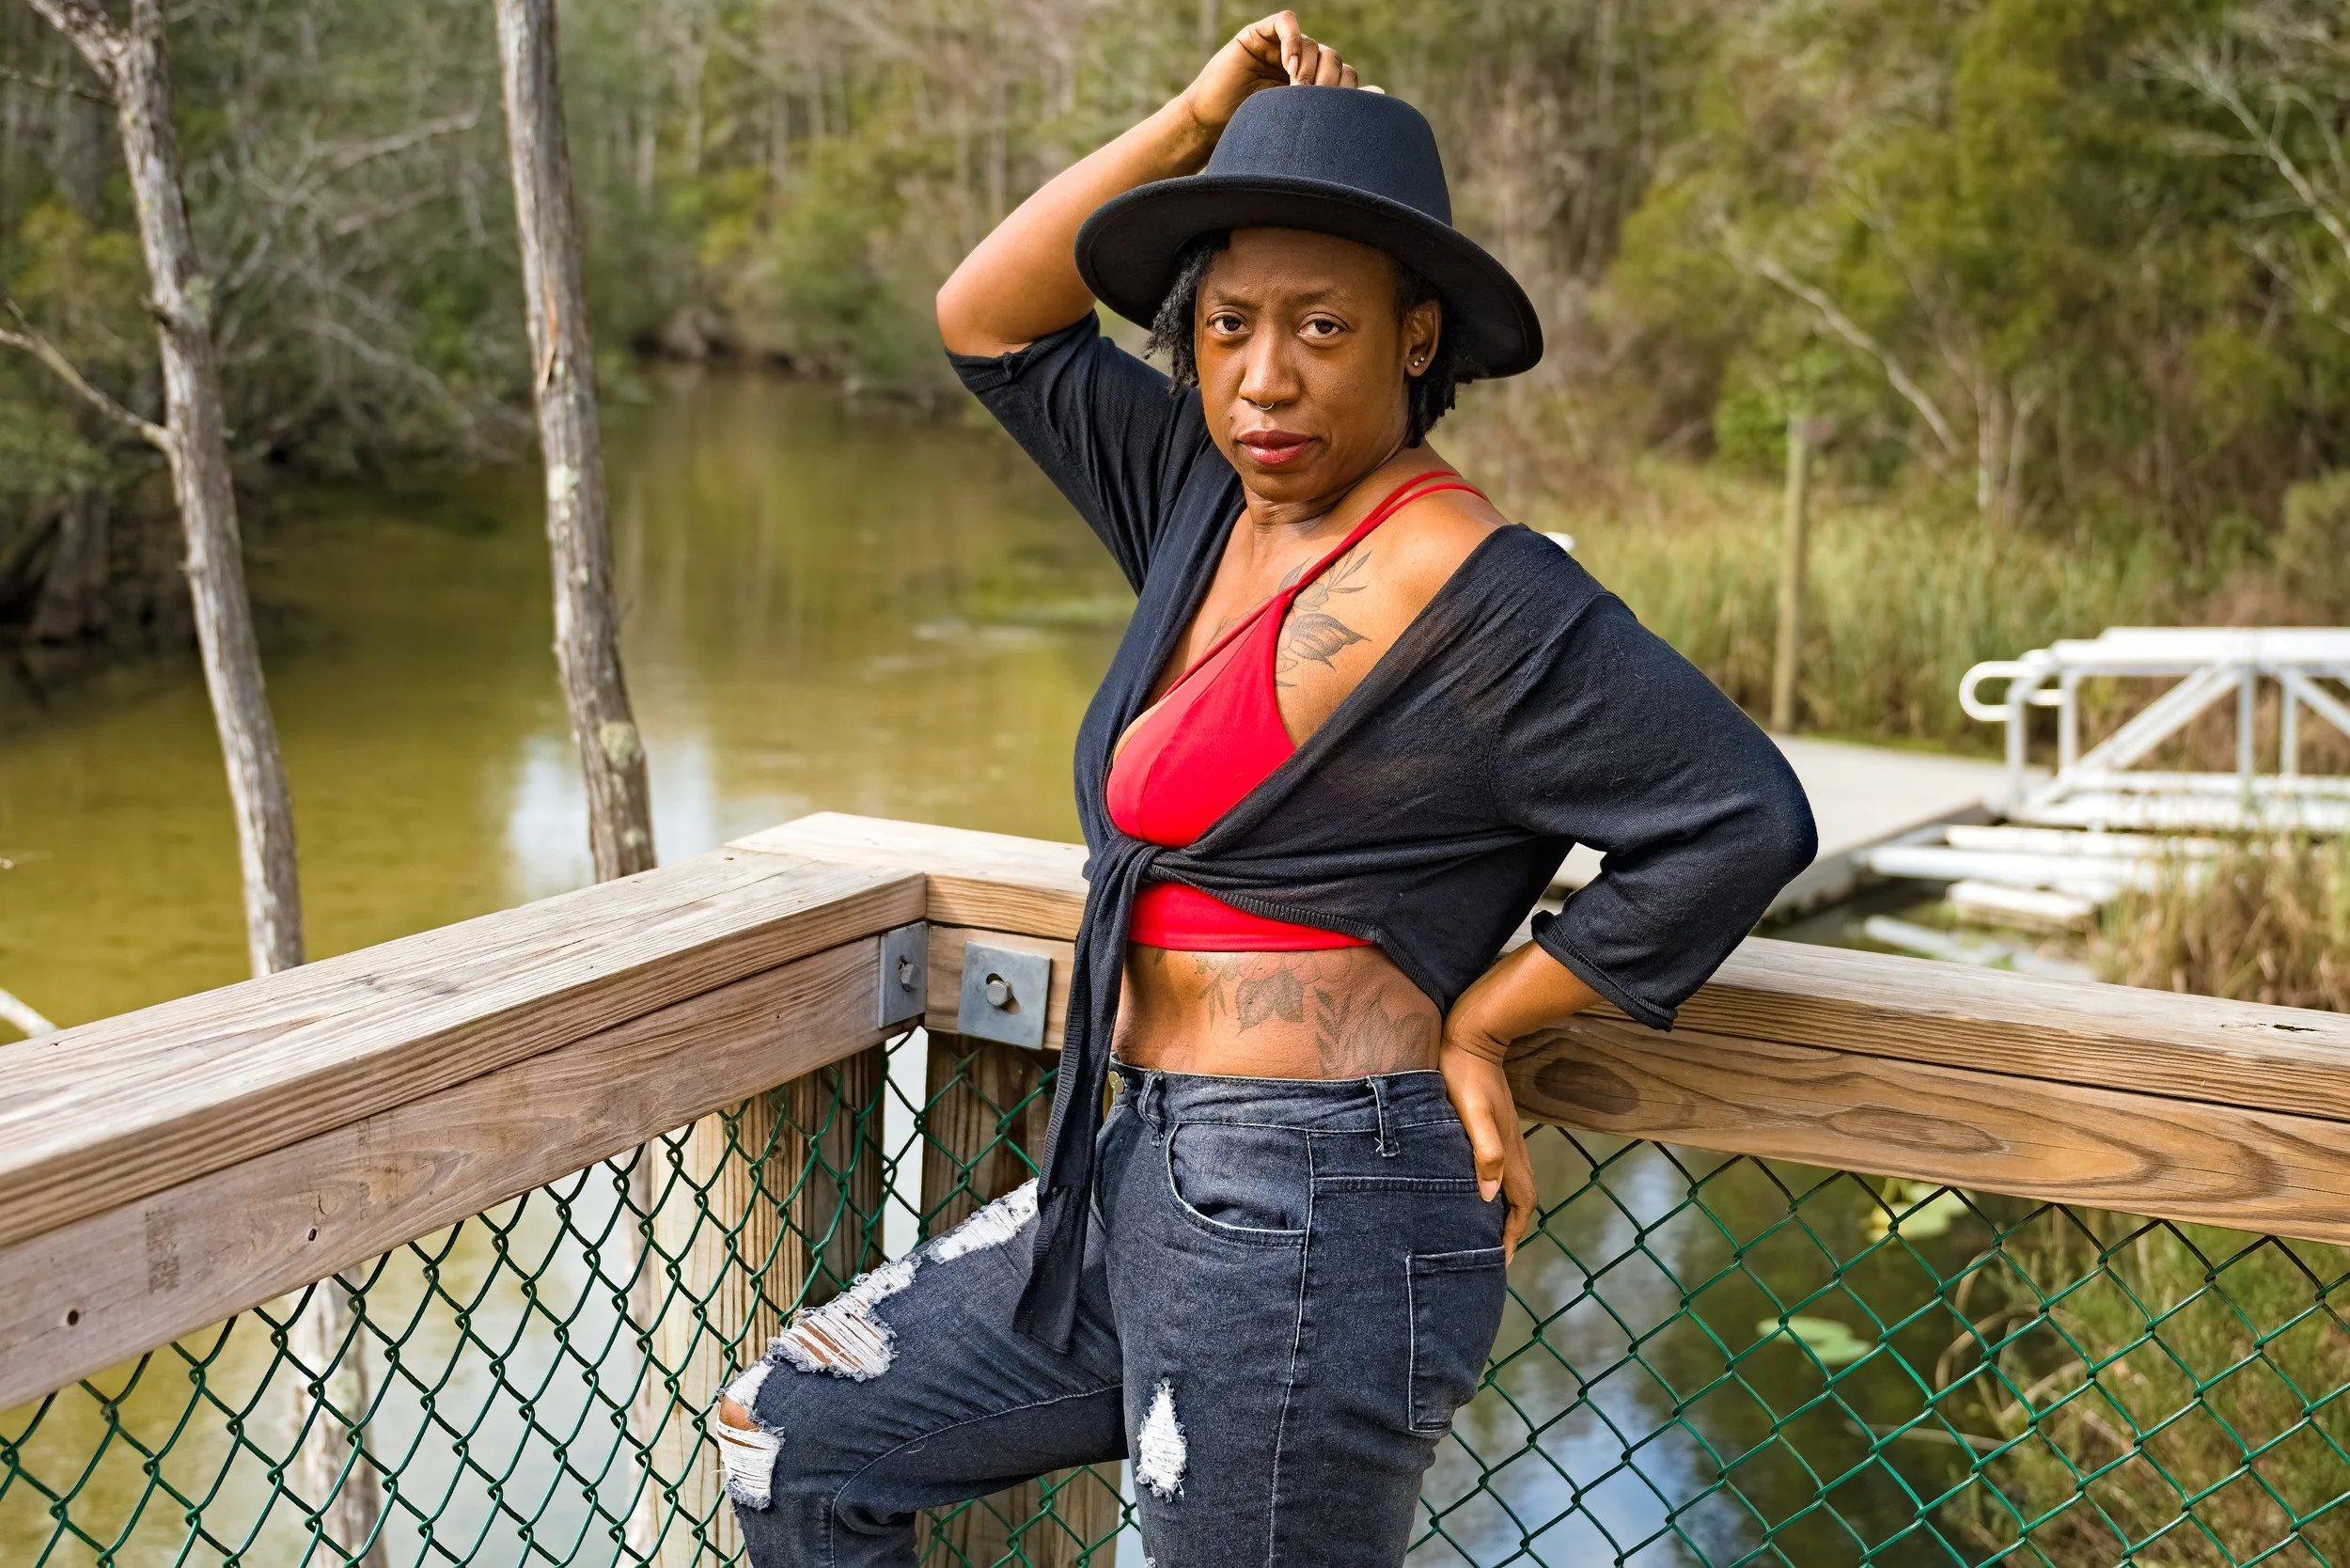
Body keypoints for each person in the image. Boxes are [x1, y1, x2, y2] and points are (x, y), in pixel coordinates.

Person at [713, 13, 1815, 1564]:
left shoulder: (1486, 598)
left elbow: (1737, 819)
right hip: (1136, 1169)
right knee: (799, 1435)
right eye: (1228, 325)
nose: (1263, 380)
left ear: (1417, 336)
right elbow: (987, 319)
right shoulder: (1195, 495)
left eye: (1321, 327)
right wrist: (1194, 116)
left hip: (1320, 1209)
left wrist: (1491, 1018)